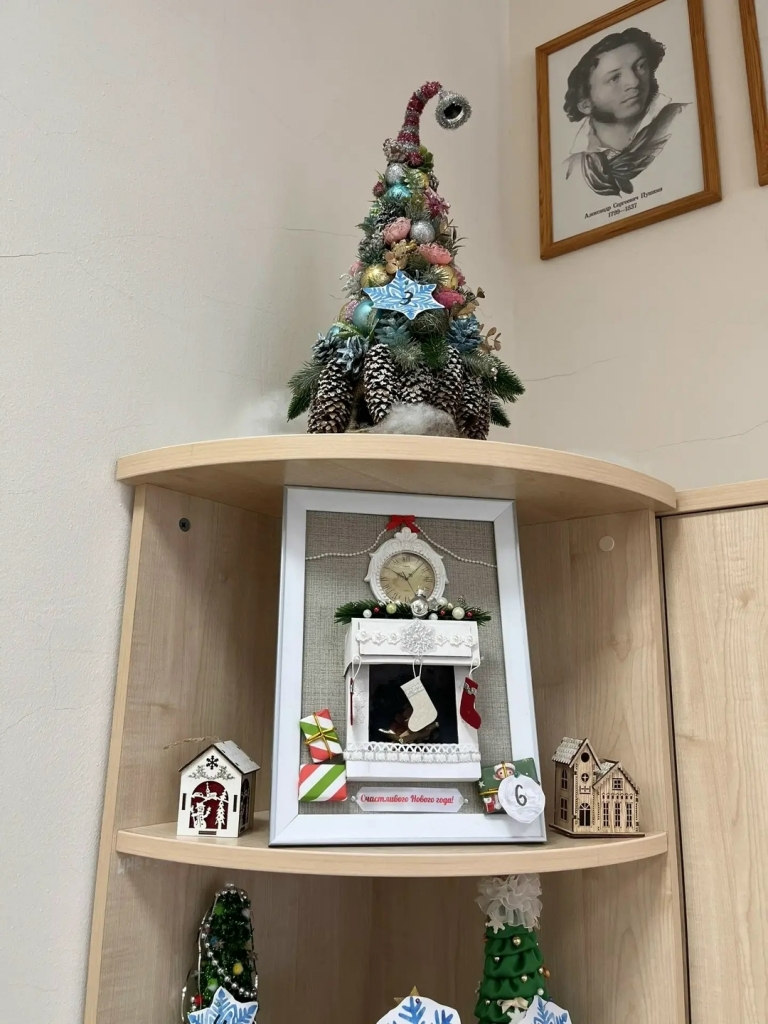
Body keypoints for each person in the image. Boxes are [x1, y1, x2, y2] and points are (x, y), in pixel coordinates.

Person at [563, 27, 688, 198]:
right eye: (614, 78)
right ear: (586, 104)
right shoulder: (571, 171)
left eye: (640, 66)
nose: (634, 82)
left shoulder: (685, 121)